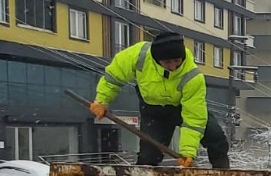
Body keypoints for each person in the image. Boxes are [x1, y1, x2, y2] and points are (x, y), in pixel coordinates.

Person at [90, 29, 230, 168]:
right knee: (149, 156)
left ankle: (223, 174)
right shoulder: (138, 57)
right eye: (167, 62)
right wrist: (102, 101)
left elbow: (194, 117)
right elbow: (112, 78)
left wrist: (188, 152)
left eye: (177, 61)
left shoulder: (192, 76)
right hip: (153, 112)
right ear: (157, 59)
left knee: (215, 136)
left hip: (181, 108)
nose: (173, 66)